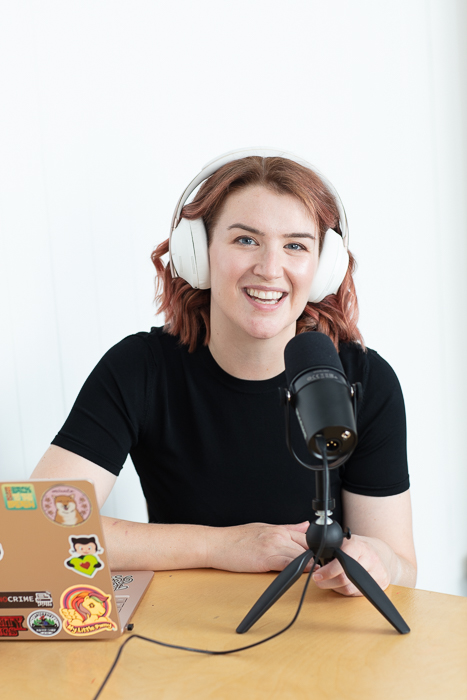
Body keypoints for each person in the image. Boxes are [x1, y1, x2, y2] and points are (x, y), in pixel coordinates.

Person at [31, 149, 417, 596]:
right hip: (183, 635)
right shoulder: (139, 369)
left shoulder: (367, 381)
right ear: (198, 253)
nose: (270, 269)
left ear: (323, 267)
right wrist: (221, 546)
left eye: (295, 245)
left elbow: (405, 570)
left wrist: (380, 560)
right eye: (246, 240)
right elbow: (41, 526)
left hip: (324, 640)